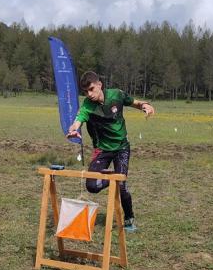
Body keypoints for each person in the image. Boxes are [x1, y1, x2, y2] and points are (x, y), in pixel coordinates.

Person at [66, 71, 155, 232]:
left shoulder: (117, 95)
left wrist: (144, 105)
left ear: (99, 84)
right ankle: (116, 177)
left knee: (122, 187)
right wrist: (73, 129)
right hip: (102, 150)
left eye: (92, 89)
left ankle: (129, 219)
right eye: (85, 91)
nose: (89, 94)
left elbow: (134, 102)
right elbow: (78, 120)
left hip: (122, 148)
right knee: (92, 185)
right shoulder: (87, 105)